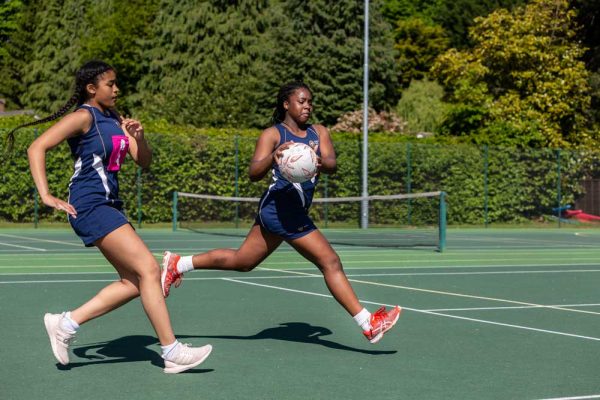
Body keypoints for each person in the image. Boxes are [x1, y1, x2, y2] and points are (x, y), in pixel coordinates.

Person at [161, 81, 401, 344]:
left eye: (310, 101)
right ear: (286, 104)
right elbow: (254, 173)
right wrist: (273, 155)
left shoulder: (319, 132)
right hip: (280, 209)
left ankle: (179, 263)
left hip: (290, 210)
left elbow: (332, 163)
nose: (307, 105)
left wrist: (317, 161)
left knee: (244, 261)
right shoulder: (273, 135)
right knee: (330, 261)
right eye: (302, 101)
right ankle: (368, 323)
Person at [14, 60, 211, 373]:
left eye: (116, 84)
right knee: (148, 268)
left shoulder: (116, 118)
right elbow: (37, 147)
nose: (116, 89)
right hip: (90, 204)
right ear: (92, 88)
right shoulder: (83, 116)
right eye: (110, 84)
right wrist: (45, 195)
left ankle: (66, 323)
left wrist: (140, 136)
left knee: (134, 282)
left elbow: (142, 160)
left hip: (110, 205)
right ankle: (171, 351)